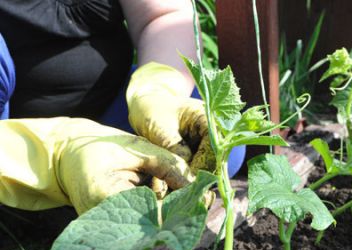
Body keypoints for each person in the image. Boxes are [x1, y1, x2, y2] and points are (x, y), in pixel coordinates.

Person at [0, 0, 240, 215]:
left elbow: (163, 14)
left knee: (218, 144)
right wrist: (52, 159)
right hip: (13, 138)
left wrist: (158, 91)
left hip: (110, 100)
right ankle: (29, 190)